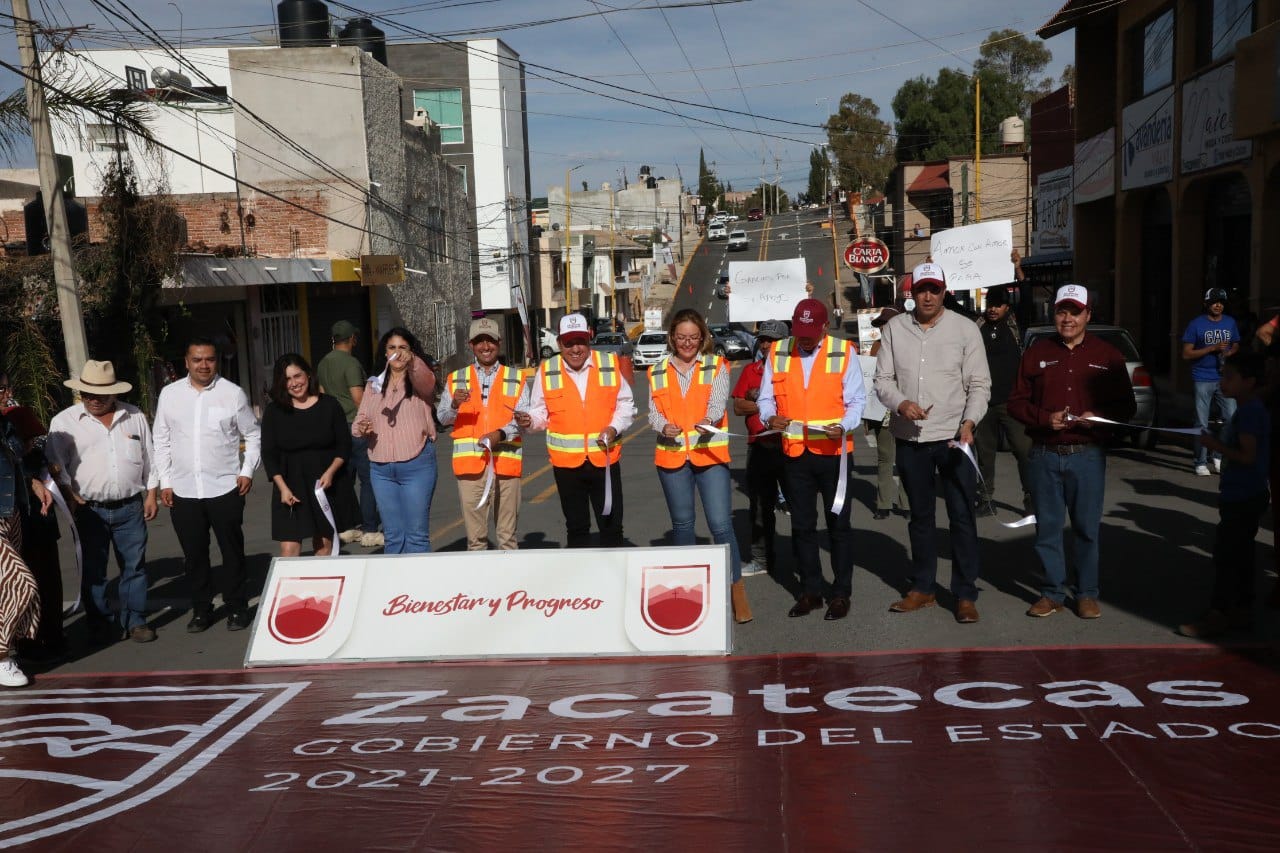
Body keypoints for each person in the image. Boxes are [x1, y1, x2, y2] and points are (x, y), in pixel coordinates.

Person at [874, 262, 991, 624]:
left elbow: (979, 384)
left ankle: (965, 594)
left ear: (944, 292)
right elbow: (883, 380)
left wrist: (970, 421)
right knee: (920, 518)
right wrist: (900, 403)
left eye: (934, 289)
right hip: (911, 438)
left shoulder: (966, 329)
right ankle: (923, 587)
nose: (927, 296)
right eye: (921, 289)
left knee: (961, 518)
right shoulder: (895, 328)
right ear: (912, 292)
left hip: (956, 438)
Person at [1009, 284, 1135, 620]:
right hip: (1045, 454)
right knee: (1047, 528)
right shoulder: (1035, 353)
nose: (1067, 318)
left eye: (1075, 312)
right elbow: (1016, 403)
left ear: (1088, 315)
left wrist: (1099, 420)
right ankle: (1051, 592)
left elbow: (1126, 407)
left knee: (1086, 528)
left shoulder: (1107, 356)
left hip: (1087, 454)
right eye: (1062, 311)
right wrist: (1042, 418)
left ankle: (1086, 593)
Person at [758, 298, 866, 621]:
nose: (804, 338)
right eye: (799, 331)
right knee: (802, 525)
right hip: (795, 453)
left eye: (810, 332)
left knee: (838, 526)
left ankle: (841, 593)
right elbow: (766, 397)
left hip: (833, 454)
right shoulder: (778, 353)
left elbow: (857, 400)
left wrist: (844, 425)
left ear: (824, 327)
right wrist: (769, 418)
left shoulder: (843, 352)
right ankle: (811, 591)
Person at [46, 360, 159, 645]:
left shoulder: (133, 416)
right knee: (94, 571)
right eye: (87, 393)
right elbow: (54, 463)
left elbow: (150, 456)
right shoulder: (64, 422)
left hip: (131, 506)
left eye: (99, 393)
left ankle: (136, 621)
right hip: (88, 509)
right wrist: (69, 494)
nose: (93, 399)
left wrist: (152, 494)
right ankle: (99, 624)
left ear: (114, 392)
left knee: (134, 567)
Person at [153, 337, 261, 633]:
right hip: (184, 490)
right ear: (186, 362)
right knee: (195, 555)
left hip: (225, 487)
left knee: (232, 551)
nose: (203, 365)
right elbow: (161, 439)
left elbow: (252, 434)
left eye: (209, 359)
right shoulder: (170, 395)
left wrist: (248, 470)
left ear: (217, 361)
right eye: (197, 359)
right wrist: (166, 481)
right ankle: (202, 609)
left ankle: (237, 607)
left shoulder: (232, 394)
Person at [649, 309, 750, 623]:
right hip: (673, 456)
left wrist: (707, 420)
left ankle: (736, 592)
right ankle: (689, 592)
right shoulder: (657, 370)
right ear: (672, 338)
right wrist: (662, 425)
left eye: (693, 337)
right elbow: (653, 410)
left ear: (703, 337)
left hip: (709, 456)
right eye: (681, 337)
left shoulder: (716, 365)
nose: (687, 343)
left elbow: (717, 403)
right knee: (682, 526)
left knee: (720, 524)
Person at [514, 313, 636, 548]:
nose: (576, 349)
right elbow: (540, 413)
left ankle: (614, 583)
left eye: (580, 341)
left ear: (589, 338)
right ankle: (585, 584)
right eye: (569, 343)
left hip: (605, 460)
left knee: (612, 527)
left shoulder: (608, 363)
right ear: (559, 343)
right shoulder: (547, 371)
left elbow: (626, 404)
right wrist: (528, 421)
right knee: (577, 529)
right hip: (567, 466)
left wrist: (614, 427)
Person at [1178, 353, 1271, 638]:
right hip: (1243, 494)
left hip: (1244, 496)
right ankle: (1242, 611)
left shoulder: (1251, 412)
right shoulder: (1246, 410)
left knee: (1227, 557)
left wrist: (1212, 444)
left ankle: (1219, 614)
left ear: (1249, 382)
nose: (1222, 381)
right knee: (1240, 556)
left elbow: (1247, 455)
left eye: (1230, 376)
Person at [438, 318, 525, 551]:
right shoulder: (456, 378)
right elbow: (443, 418)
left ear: (499, 342)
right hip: (471, 468)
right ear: (471, 345)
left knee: (507, 538)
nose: (485, 346)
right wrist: (455, 404)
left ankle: (510, 586)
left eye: (490, 341)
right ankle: (480, 587)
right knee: (476, 541)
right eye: (479, 341)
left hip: (506, 465)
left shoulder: (516, 377)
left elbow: (523, 420)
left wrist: (500, 434)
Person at [352, 327, 439, 554]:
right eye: (392, 348)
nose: (397, 353)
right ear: (384, 352)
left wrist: (414, 362)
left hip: (416, 464)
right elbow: (359, 421)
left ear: (411, 351)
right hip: (380, 468)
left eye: (403, 348)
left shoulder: (419, 380)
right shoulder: (374, 385)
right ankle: (396, 588)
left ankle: (419, 588)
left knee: (416, 536)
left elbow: (428, 382)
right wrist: (362, 427)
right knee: (393, 537)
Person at [261, 354, 355, 558]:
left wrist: (331, 472)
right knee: (289, 548)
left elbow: (344, 446)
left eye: (298, 376)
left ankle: (321, 588)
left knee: (323, 545)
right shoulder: (274, 411)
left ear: (308, 375)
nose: (294, 383)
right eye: (287, 379)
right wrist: (282, 488)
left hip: (324, 484)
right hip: (289, 486)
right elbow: (269, 454)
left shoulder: (330, 405)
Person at [0, 372, 64, 661]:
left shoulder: (15, 420)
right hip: (15, 510)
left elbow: (32, 452)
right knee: (20, 582)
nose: (3, 393)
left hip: (25, 512)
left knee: (42, 576)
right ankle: (8, 649)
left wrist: (35, 480)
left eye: (4, 387)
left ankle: (42, 637)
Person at [731, 320, 789, 575]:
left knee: (800, 506)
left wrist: (761, 398)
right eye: (763, 340)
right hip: (759, 446)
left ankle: (803, 556)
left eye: (772, 340)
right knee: (759, 508)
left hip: (790, 446)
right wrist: (768, 405)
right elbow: (737, 407)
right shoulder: (751, 370)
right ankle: (762, 559)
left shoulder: (795, 370)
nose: (766, 345)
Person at [317, 319, 381, 548]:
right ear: (352, 339)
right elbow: (357, 397)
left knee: (343, 479)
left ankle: (346, 526)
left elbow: (322, 394)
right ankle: (370, 528)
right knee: (368, 479)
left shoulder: (323, 363)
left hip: (333, 426)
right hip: (355, 424)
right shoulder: (351, 363)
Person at [974, 286, 1033, 516]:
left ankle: (1031, 498)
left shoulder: (1015, 324)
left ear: (1007, 306)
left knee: (1024, 450)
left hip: (1012, 403)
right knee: (985, 455)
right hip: (984, 402)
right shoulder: (976, 327)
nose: (993, 309)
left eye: (998, 305)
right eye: (990, 305)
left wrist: (1019, 271)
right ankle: (986, 499)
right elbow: (950, 306)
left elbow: (1027, 298)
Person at [1182, 288, 1241, 475]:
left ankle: (1218, 456)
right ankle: (1200, 461)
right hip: (1202, 377)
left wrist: (1229, 352)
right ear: (1206, 303)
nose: (1218, 305)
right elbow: (1186, 353)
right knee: (1201, 421)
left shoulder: (1230, 322)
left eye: (1221, 302)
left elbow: (1236, 344)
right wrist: (1211, 348)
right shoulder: (1196, 325)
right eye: (1214, 302)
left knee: (1231, 419)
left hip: (1225, 378)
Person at [863, 307, 910, 520]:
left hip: (904, 409)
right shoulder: (876, 346)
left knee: (905, 459)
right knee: (884, 457)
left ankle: (907, 503)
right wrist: (867, 414)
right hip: (881, 412)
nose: (882, 328)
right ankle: (883, 504)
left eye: (885, 323)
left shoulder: (910, 346)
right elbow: (869, 382)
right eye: (880, 324)